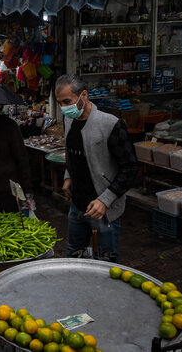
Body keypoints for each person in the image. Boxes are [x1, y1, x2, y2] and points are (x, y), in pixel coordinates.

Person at [55, 74, 138, 261]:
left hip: (104, 211)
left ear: (84, 95)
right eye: (59, 103)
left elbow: (130, 168)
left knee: (106, 262)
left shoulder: (110, 124)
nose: (63, 108)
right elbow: (73, 153)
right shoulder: (69, 121)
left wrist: (105, 200)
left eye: (67, 101)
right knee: (74, 256)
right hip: (77, 206)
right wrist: (68, 176)